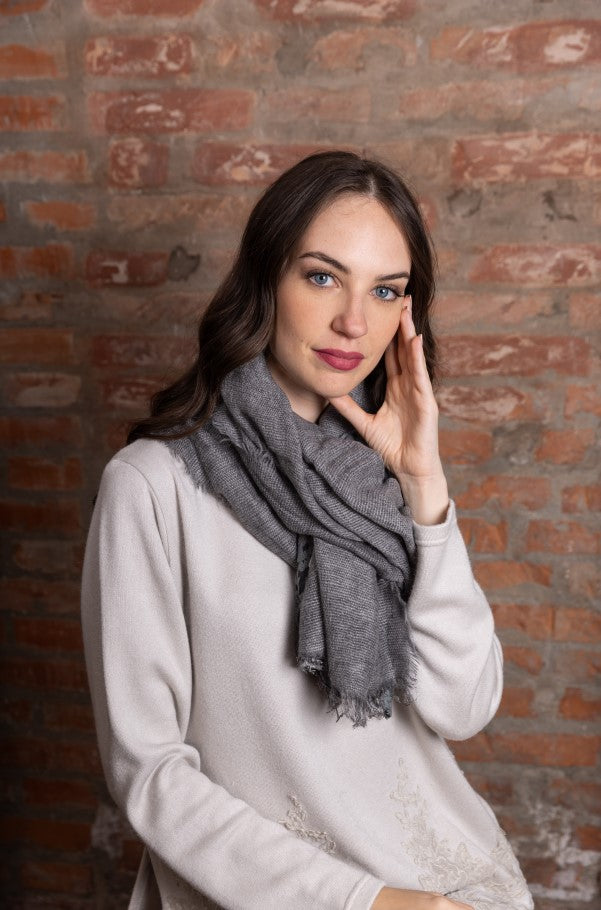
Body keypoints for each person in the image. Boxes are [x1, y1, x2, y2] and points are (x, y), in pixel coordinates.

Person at [81, 151, 534, 910]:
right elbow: (149, 776)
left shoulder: (378, 479)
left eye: (384, 291)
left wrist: (424, 485)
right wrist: (371, 904)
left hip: (450, 885)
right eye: (322, 277)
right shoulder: (154, 486)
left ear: (405, 314)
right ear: (266, 279)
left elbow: (463, 707)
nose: (353, 322)